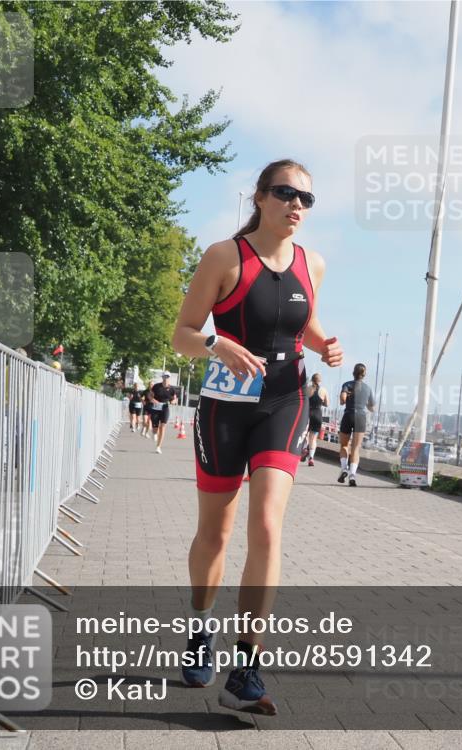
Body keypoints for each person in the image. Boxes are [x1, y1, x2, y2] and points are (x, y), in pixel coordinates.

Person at [171, 159, 343, 714]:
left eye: (306, 199)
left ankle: (246, 669)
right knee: (215, 536)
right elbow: (182, 334)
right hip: (224, 403)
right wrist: (214, 344)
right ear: (260, 197)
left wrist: (325, 346)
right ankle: (201, 630)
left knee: (267, 523)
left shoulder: (311, 263)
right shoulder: (224, 256)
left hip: (283, 399)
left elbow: (301, 320)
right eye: (286, 193)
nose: (297, 205)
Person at [337, 363, 375, 487]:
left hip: (348, 415)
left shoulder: (347, 384)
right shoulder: (368, 388)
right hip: (361, 417)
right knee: (356, 448)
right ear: (364, 375)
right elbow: (372, 408)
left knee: (344, 445)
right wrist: (366, 405)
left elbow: (342, 400)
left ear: (353, 373)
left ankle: (344, 469)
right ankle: (352, 475)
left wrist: (345, 398)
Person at [303, 373, 328, 466]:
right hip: (318, 414)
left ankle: (305, 448)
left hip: (307, 413)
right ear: (320, 380)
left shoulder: (307, 389)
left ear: (312, 380)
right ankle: (311, 458)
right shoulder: (324, 390)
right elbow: (327, 404)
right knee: (313, 438)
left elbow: (303, 400)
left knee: (305, 434)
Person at [149, 372, 179, 453]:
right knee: (155, 428)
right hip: (155, 408)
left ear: (169, 378)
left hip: (165, 408)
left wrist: (173, 401)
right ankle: (155, 433)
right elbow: (150, 395)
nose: (165, 378)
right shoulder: (156, 386)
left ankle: (158, 447)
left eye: (167, 377)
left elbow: (175, 399)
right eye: (164, 376)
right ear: (162, 377)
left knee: (162, 426)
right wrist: (153, 400)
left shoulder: (172, 389)